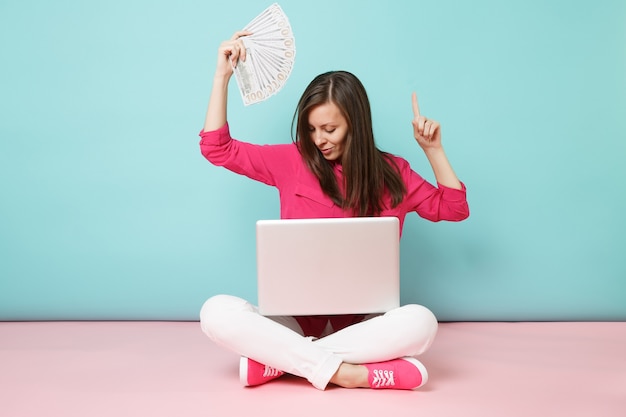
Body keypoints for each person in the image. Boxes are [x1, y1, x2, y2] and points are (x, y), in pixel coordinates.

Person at [198, 31, 469, 391]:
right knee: (215, 312)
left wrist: (433, 150)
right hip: (293, 317)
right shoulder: (290, 160)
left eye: (329, 129)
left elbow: (454, 208)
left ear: (355, 125)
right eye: (311, 129)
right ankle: (351, 372)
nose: (318, 139)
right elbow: (218, 149)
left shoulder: (393, 173)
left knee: (422, 322)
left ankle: (282, 362)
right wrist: (222, 76)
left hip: (364, 322)